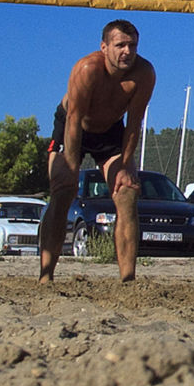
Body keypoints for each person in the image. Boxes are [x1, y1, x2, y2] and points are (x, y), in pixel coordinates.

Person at [38, 20, 156, 284]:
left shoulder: (144, 73)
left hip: (110, 130)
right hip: (73, 127)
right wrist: (71, 167)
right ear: (104, 47)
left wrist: (125, 166)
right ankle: (46, 277)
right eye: (120, 45)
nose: (127, 51)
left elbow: (134, 123)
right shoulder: (87, 69)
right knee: (62, 191)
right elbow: (73, 120)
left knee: (126, 192)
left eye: (132, 45)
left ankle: (128, 281)